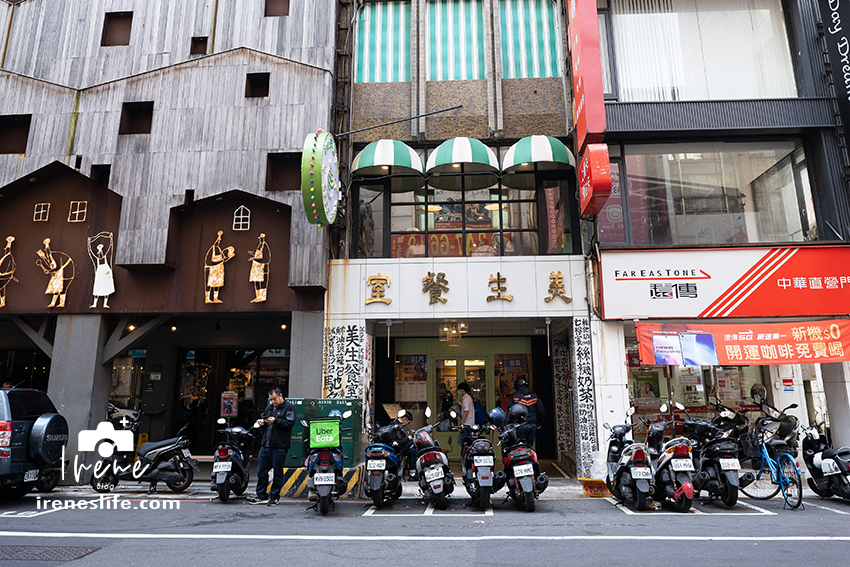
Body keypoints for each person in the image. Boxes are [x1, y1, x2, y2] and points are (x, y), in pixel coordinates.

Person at [247, 387, 295, 506]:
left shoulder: (288, 407)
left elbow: (290, 423)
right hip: (266, 445)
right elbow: (266, 421)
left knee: (277, 472)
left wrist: (276, 421)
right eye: (271, 399)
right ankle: (261, 495)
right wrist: (262, 423)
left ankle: (274, 496)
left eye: (274, 399)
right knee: (261, 471)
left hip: (279, 446)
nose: (273, 402)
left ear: (280, 396)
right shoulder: (269, 408)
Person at [510, 377, 545, 446]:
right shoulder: (534, 396)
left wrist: (511, 423)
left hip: (520, 425)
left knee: (520, 446)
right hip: (532, 424)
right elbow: (541, 410)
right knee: (530, 446)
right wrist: (539, 422)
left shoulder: (515, 396)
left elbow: (510, 411)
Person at [393, 412, 418, 481]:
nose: (407, 425)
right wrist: (408, 438)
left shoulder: (398, 425)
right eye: (408, 422)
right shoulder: (396, 426)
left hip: (400, 448)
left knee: (413, 451)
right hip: (397, 449)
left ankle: (412, 474)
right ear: (404, 419)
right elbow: (399, 441)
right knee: (414, 442)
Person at [456, 382, 475, 452]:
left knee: (461, 441)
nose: (459, 391)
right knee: (465, 442)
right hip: (470, 423)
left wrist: (462, 423)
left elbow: (466, 411)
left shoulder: (466, 398)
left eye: (459, 390)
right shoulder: (468, 398)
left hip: (467, 424)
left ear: (463, 390)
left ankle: (467, 453)